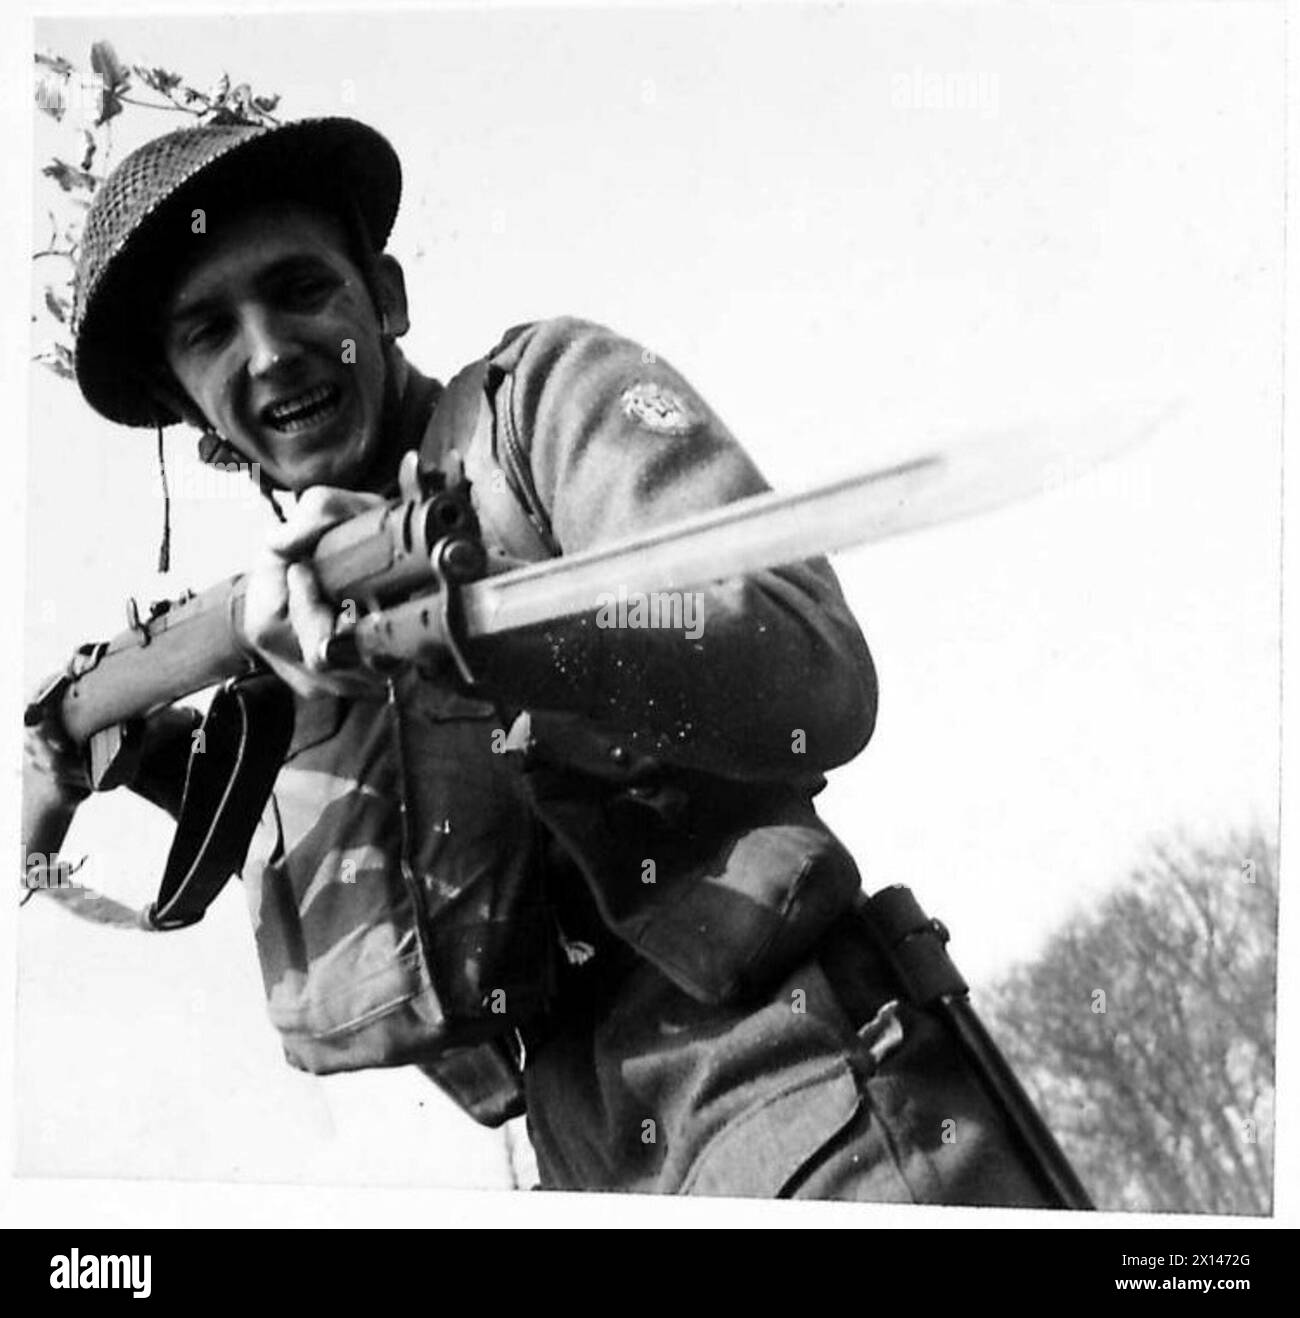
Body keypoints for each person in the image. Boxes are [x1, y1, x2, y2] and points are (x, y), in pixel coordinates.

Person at [26, 115, 1050, 1204]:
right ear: (198, 421)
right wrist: (125, 754)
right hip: (582, 1159)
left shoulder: (541, 406)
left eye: (300, 290)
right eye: (207, 332)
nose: (269, 348)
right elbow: (423, 851)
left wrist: (472, 621)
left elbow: (817, 673)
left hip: (796, 1099)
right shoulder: (283, 635)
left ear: (385, 296)